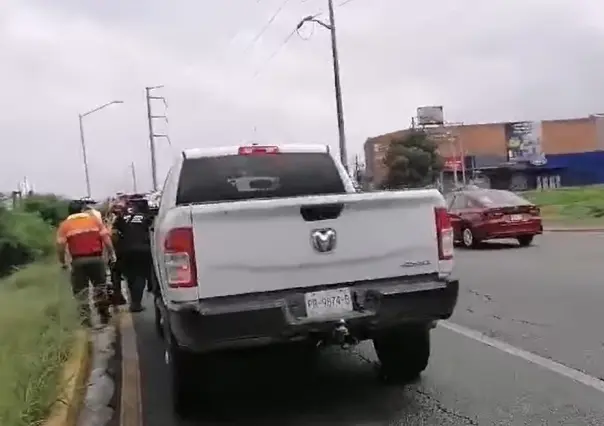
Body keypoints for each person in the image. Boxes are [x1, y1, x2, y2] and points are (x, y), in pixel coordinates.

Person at [56, 200, 117, 326]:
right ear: (82, 210)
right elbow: (106, 239)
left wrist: (62, 262)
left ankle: (86, 321)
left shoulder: (65, 225)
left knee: (81, 292)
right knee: (100, 287)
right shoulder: (94, 221)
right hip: (96, 259)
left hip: (78, 261)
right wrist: (112, 254)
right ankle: (104, 315)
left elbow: (61, 246)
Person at [112, 197, 153, 312]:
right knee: (140, 276)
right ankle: (136, 303)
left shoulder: (122, 217)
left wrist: (117, 250)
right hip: (143, 249)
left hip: (125, 250)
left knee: (131, 276)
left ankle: (133, 300)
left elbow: (114, 234)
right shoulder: (148, 217)